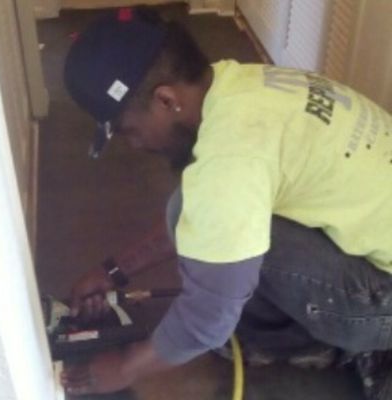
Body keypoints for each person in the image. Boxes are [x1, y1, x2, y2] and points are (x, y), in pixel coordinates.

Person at [62, 7, 392, 399]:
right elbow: (206, 216)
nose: (136, 144)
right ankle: (319, 337)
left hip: (385, 300)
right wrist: (114, 271)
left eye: (129, 131)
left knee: (224, 252)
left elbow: (208, 319)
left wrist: (124, 367)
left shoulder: (232, 155)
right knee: (194, 213)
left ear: (166, 100)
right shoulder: (239, 85)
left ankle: (343, 344)